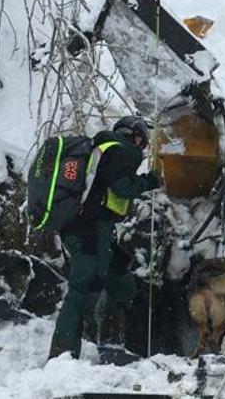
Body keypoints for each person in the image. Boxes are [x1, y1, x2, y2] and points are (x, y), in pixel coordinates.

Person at [48, 115, 161, 360]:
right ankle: (61, 356)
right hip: (89, 229)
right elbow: (122, 187)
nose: (143, 147)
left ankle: (112, 343)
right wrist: (151, 180)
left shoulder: (102, 148)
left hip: (92, 229)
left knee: (120, 280)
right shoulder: (120, 150)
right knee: (83, 291)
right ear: (134, 135)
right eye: (143, 140)